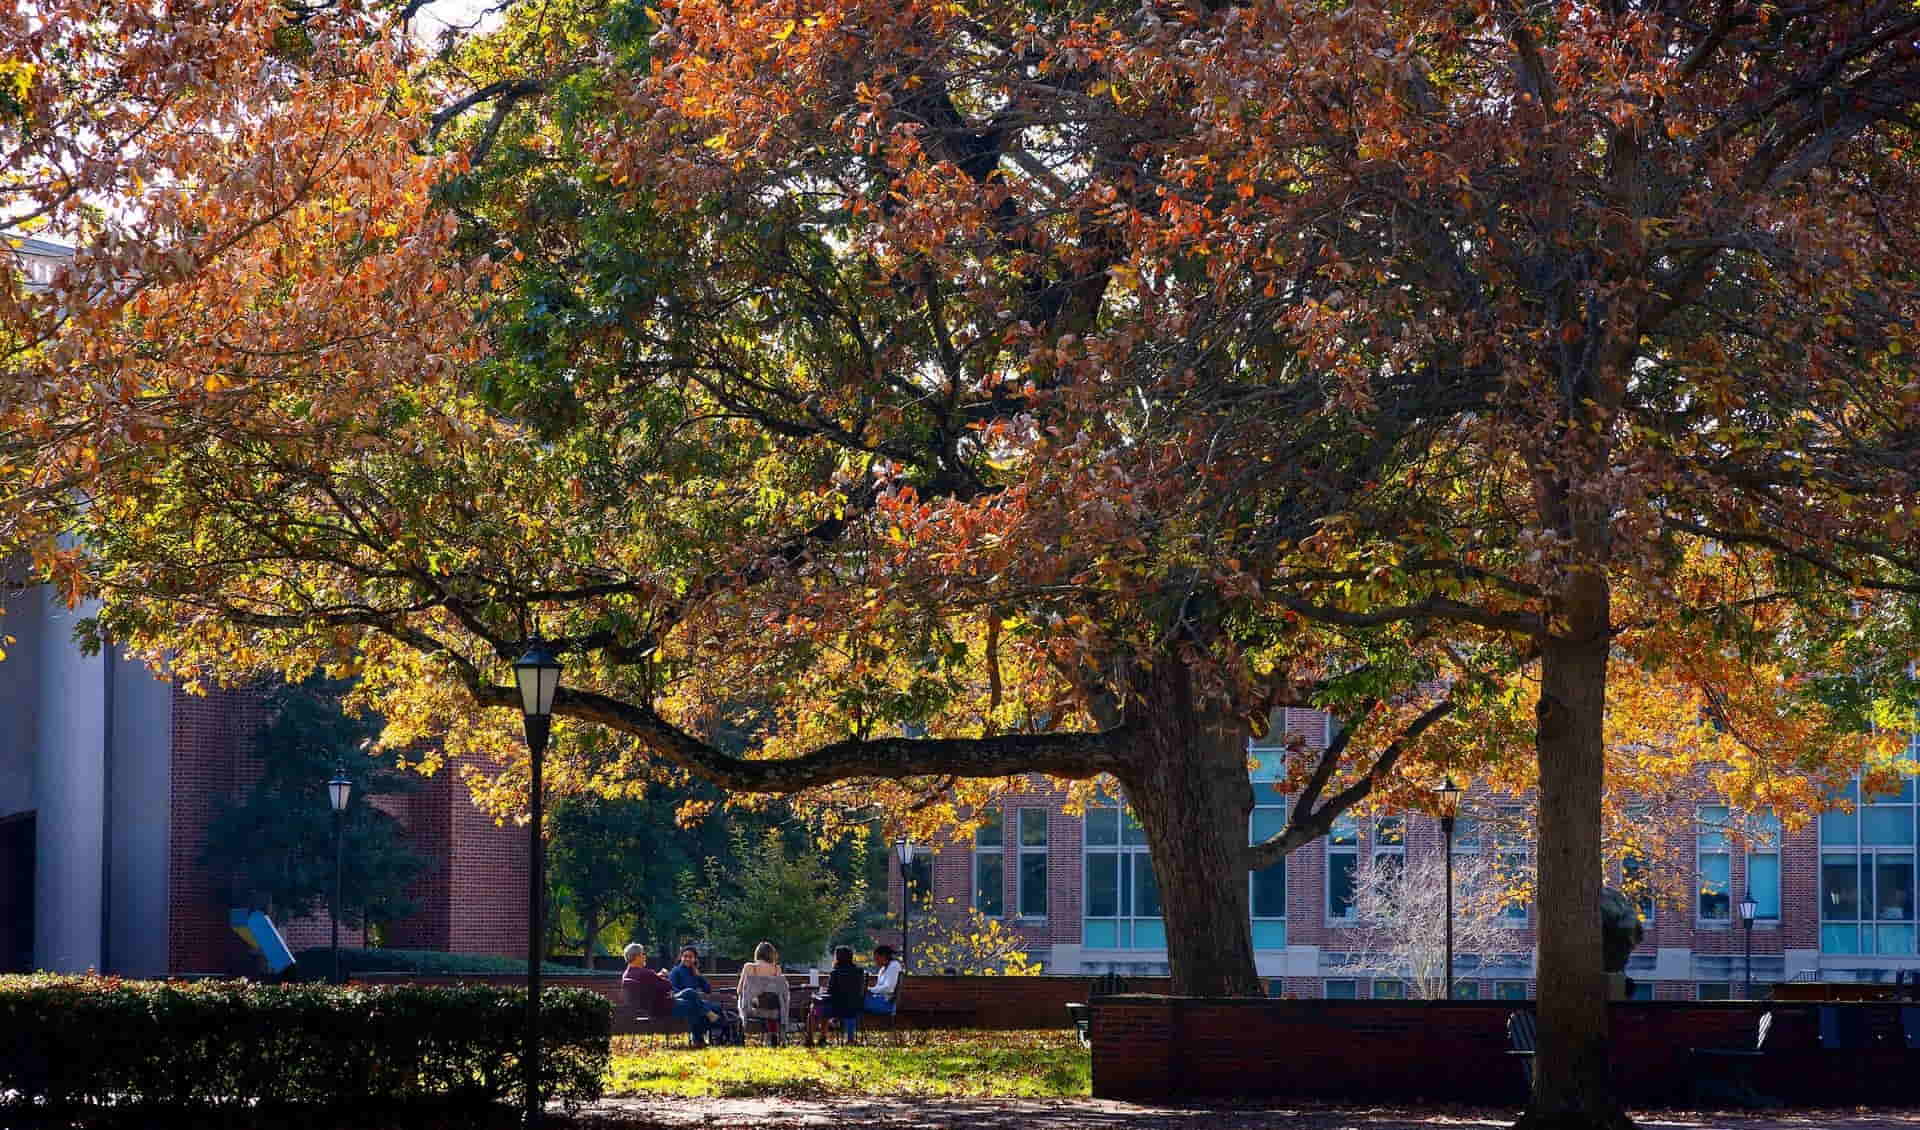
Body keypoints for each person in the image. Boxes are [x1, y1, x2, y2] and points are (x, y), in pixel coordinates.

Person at [805, 945, 865, 1047]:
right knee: (823, 1007)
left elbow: (831, 992)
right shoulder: (859, 972)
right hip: (854, 1008)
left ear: (838, 958)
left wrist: (820, 994)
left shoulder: (835, 972)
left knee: (814, 1008)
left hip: (837, 1008)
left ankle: (811, 1039)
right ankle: (822, 1039)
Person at [667, 945, 723, 1047]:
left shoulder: (694, 972)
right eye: (685, 956)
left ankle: (714, 1038)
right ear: (681, 957)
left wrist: (699, 976)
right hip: (681, 1002)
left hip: (696, 1003)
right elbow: (673, 989)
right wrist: (687, 994)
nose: (687, 959)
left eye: (690, 956)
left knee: (716, 1007)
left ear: (695, 959)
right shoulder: (675, 971)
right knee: (691, 994)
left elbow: (708, 990)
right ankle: (698, 1037)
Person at [738, 940, 788, 1046]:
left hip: (752, 1010)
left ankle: (741, 1032)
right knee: (770, 1004)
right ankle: (773, 1033)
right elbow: (780, 992)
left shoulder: (749, 967)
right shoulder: (776, 969)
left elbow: (740, 990)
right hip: (774, 1010)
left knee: (744, 1001)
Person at [865, 944, 901, 1017]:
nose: (875, 961)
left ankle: (849, 1027)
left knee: (855, 1003)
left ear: (884, 956)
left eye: (877, 958)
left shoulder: (894, 965)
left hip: (886, 1004)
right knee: (854, 1001)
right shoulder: (882, 969)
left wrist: (870, 990)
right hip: (879, 1000)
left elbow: (889, 988)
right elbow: (879, 988)